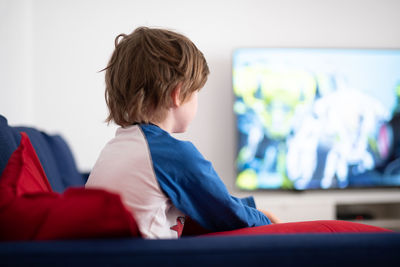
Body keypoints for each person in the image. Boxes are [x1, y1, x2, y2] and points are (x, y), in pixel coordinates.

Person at [86, 26, 280, 239]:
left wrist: (251, 209)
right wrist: (267, 222)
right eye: (196, 92)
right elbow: (226, 212)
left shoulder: (119, 146)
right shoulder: (169, 154)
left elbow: (207, 200)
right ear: (177, 94)